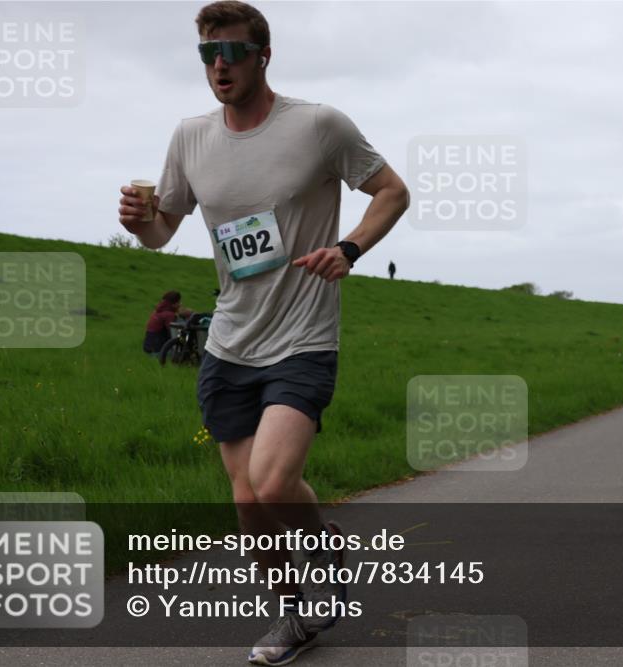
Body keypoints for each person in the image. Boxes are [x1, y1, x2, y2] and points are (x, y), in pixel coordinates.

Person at [116, 2, 410, 664]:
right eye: (207, 54)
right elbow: (163, 230)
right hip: (229, 341)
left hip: (303, 335)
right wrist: (141, 223)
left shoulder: (318, 126)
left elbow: (392, 190)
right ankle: (293, 616)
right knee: (249, 502)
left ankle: (327, 552)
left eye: (233, 52)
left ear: (263, 56)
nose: (219, 65)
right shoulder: (190, 138)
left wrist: (351, 247)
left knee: (275, 483)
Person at [143, 290, 183, 356]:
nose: (180, 304)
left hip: (148, 349)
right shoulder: (169, 315)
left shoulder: (157, 312)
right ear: (174, 304)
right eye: (179, 302)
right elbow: (174, 334)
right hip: (158, 351)